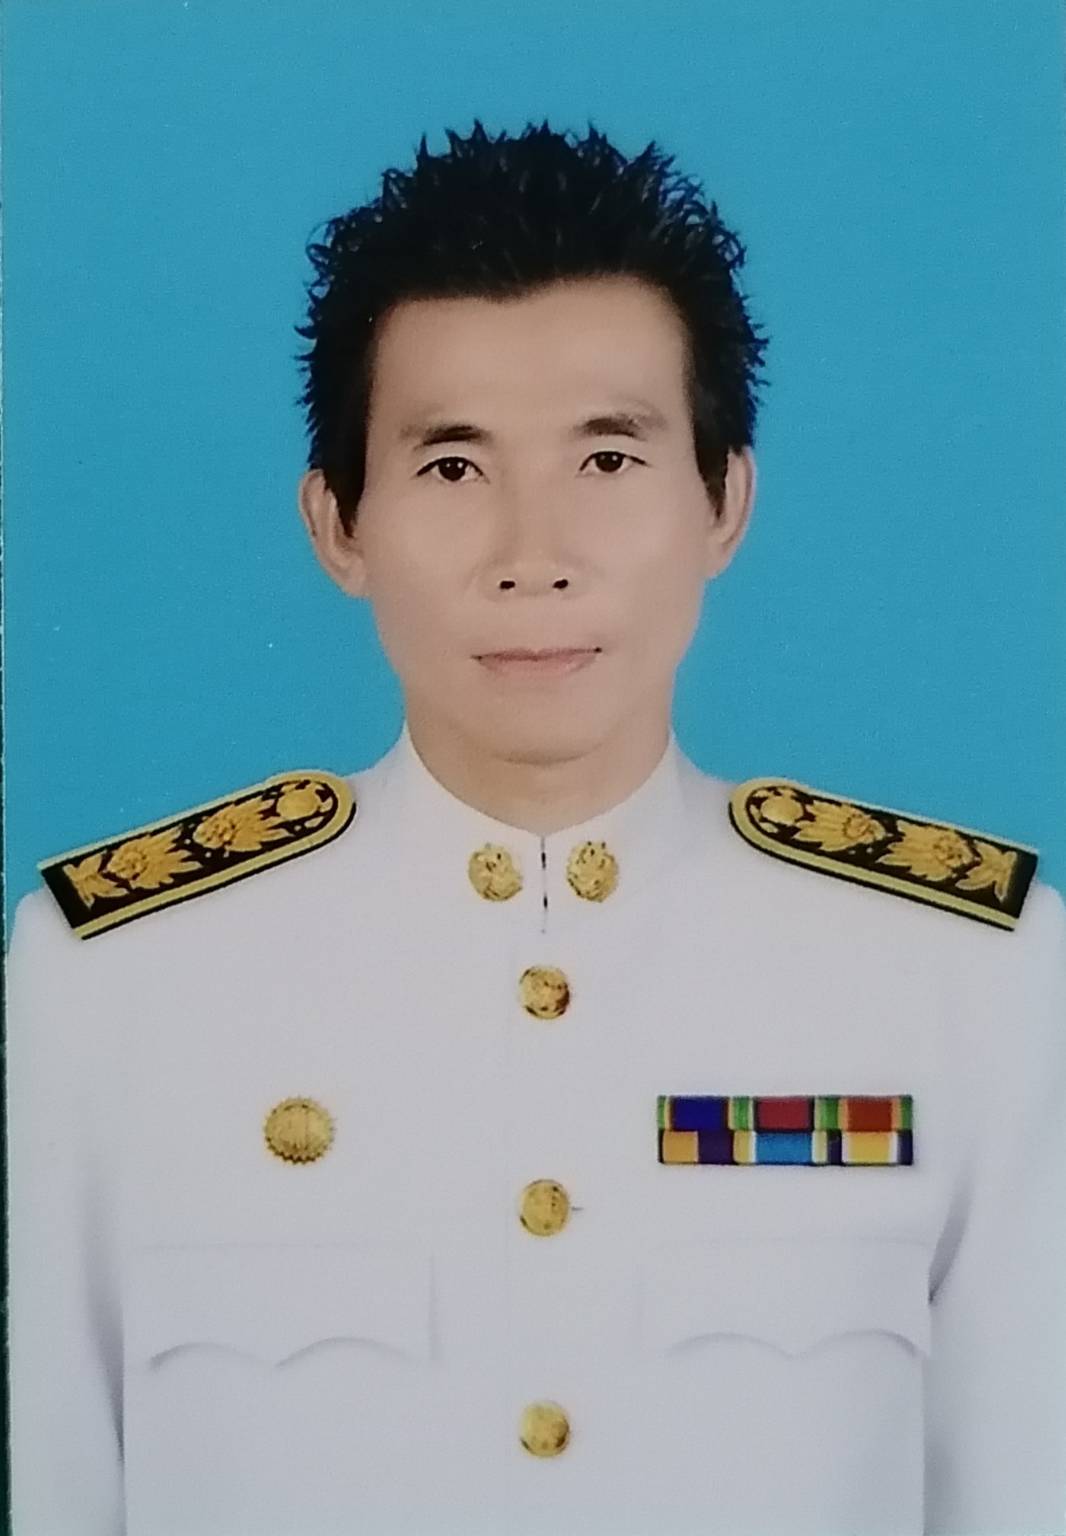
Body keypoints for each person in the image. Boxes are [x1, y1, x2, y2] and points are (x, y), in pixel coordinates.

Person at [6, 117, 1065, 1536]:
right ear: (337, 523)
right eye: (453, 468)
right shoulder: (109, 981)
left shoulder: (968, 978)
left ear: (724, 502)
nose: (533, 559)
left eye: (607, 461)